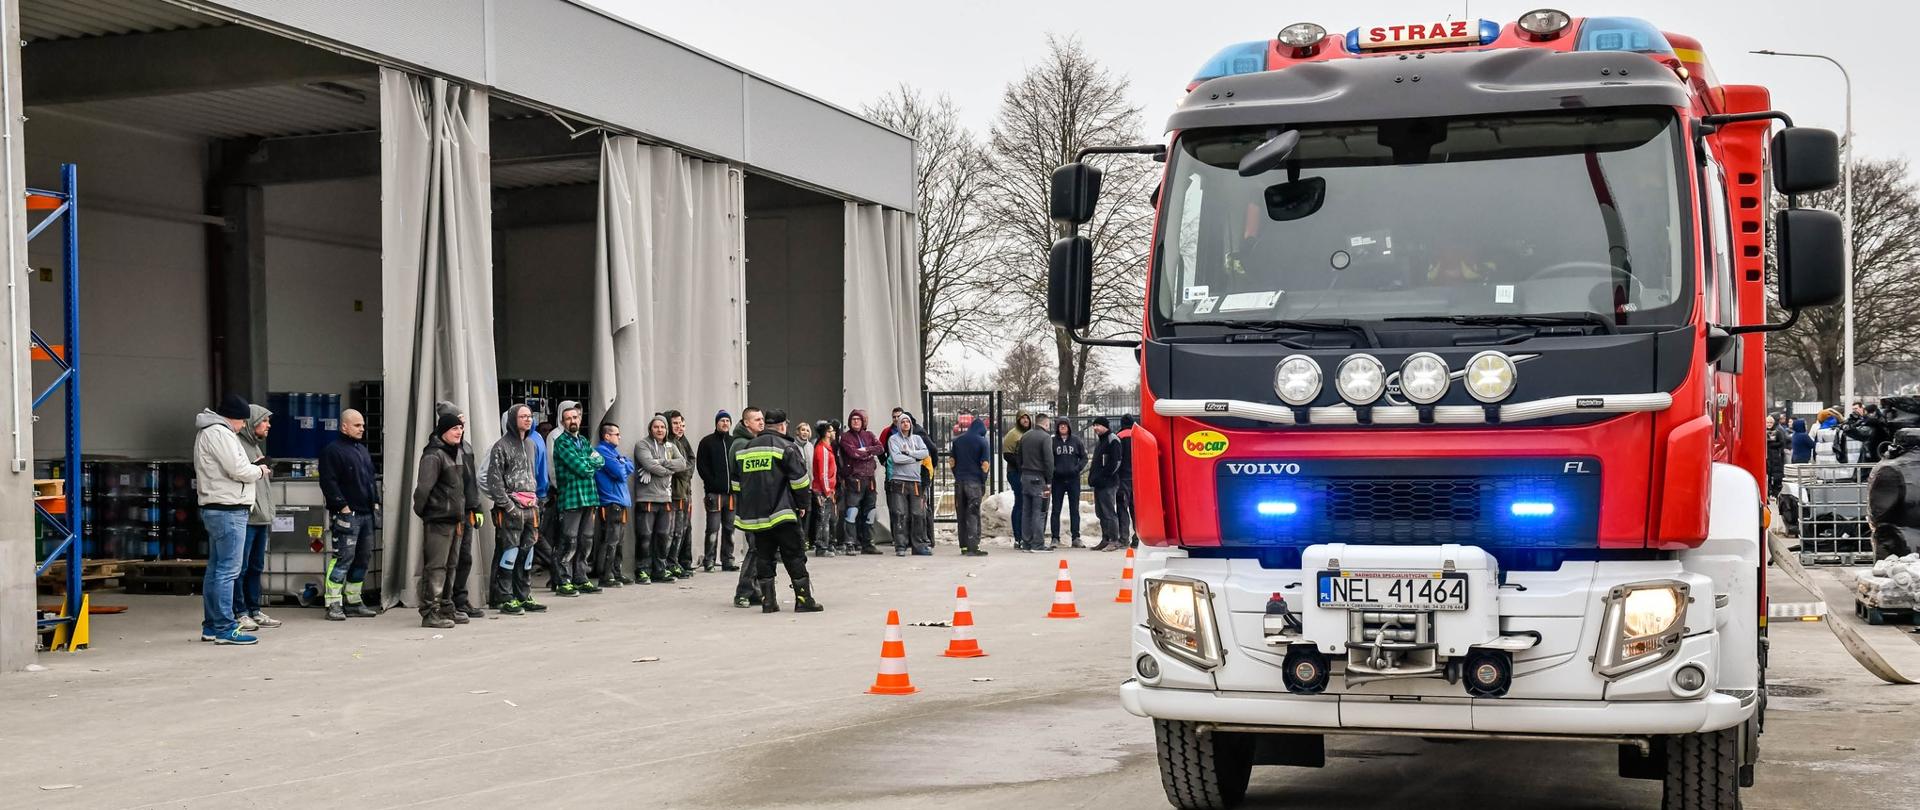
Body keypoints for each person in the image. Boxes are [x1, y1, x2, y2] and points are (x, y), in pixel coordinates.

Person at [194, 395, 273, 645]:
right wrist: (259, 470)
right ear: (234, 418)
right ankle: (225, 628)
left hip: (218, 508)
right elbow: (238, 470)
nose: (243, 426)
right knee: (228, 571)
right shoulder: (221, 433)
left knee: (216, 570)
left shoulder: (210, 432)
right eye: (242, 421)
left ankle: (211, 626)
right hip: (228, 509)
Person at [734, 408, 823, 613]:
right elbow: (800, 482)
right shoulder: (786, 447)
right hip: (782, 513)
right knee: (794, 555)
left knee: (764, 557)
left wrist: (748, 506)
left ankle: (768, 602)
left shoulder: (745, 449)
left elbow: (736, 484)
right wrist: (802, 505)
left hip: (757, 517)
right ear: (783, 426)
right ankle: (804, 600)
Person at [412, 409, 481, 629]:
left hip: (456, 520)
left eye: (460, 428)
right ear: (443, 431)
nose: (459, 432)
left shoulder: (456, 453)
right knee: (436, 567)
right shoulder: (433, 455)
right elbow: (423, 490)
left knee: (452, 565)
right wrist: (426, 512)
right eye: (454, 428)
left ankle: (446, 606)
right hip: (439, 520)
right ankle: (430, 612)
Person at [481, 404, 548, 615]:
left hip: (530, 507)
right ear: (512, 419)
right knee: (509, 552)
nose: (528, 419)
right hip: (511, 507)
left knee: (528, 552)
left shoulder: (531, 444)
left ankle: (523, 594)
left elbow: (534, 474)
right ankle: (505, 597)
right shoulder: (500, 446)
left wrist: (537, 501)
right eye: (523, 416)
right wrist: (508, 506)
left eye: (529, 416)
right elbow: (494, 481)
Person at [318, 409, 384, 621]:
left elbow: (370, 479)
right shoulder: (332, 451)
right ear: (344, 426)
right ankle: (333, 603)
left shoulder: (362, 451)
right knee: (343, 558)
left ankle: (354, 601)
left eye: (363, 425)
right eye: (357, 425)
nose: (362, 429)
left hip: (366, 514)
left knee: (363, 559)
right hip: (347, 515)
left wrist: (375, 503)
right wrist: (342, 507)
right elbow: (328, 482)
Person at [233, 404, 282, 632]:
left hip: (261, 518)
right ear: (252, 422)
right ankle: (239, 612)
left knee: (256, 566)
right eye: (264, 420)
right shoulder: (237, 445)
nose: (268, 425)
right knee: (240, 568)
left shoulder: (254, 446)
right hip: (248, 518)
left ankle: (254, 609)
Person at [436, 401, 486, 620]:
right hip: (448, 513)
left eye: (462, 423)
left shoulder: (466, 447)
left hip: (466, 510)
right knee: (448, 560)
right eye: (458, 422)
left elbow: (470, 481)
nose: (462, 427)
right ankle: (443, 602)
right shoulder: (439, 449)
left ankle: (460, 599)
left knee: (464, 557)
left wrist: (477, 506)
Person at [551, 402, 605, 596]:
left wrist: (587, 462)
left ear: (580, 419)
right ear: (562, 422)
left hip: (589, 497)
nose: (572, 421)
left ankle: (581, 578)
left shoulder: (583, 440)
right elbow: (581, 468)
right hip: (571, 499)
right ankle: (563, 581)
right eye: (568, 419)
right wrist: (589, 462)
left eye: (575, 417)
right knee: (569, 540)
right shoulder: (561, 442)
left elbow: (601, 461)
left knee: (586, 540)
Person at [634, 414, 685, 584]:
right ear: (650, 429)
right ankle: (642, 571)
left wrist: (659, 462)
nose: (660, 430)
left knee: (663, 536)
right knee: (645, 536)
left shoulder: (671, 446)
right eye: (656, 427)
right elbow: (649, 464)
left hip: (666, 498)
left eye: (662, 427)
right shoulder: (642, 444)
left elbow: (682, 464)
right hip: (647, 498)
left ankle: (659, 570)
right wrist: (668, 470)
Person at [592, 421, 636, 589]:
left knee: (619, 540)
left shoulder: (613, 452)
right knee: (611, 540)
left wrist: (622, 463)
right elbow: (620, 473)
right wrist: (622, 464)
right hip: (611, 501)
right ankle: (606, 575)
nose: (620, 437)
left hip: (620, 500)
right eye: (616, 434)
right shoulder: (601, 451)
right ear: (607, 436)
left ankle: (616, 572)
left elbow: (630, 465)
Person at [733, 407, 768, 607]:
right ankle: (743, 592)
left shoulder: (754, 441)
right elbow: (739, 479)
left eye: (762, 419)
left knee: (760, 548)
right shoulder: (741, 444)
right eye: (756, 419)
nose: (761, 422)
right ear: (746, 423)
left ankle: (754, 590)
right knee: (755, 548)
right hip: (750, 505)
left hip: (758, 503)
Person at [696, 411, 738, 573]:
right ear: (716, 423)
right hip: (714, 494)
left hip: (732, 494)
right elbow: (702, 466)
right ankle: (709, 561)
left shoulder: (734, 442)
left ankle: (728, 560)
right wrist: (712, 482)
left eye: (727, 420)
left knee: (730, 529)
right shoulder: (706, 442)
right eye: (722, 420)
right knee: (712, 529)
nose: (725, 423)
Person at [886, 412, 933, 556]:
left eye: (907, 421)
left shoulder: (917, 438)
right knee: (900, 514)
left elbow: (925, 453)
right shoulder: (893, 439)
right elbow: (896, 458)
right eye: (902, 422)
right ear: (899, 425)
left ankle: (918, 545)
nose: (905, 424)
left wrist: (908, 452)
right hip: (899, 481)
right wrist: (915, 458)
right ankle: (901, 545)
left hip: (915, 482)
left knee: (918, 514)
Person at [838, 410, 883, 555]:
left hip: (870, 479)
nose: (856, 421)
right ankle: (850, 543)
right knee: (852, 511)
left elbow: (880, 448)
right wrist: (869, 453)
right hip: (854, 479)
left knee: (870, 511)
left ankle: (868, 543)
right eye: (853, 419)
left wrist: (865, 449)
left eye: (858, 419)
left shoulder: (869, 435)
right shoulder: (845, 437)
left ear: (863, 421)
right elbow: (853, 453)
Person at [950, 415, 991, 556]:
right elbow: (985, 465)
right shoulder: (982, 442)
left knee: (961, 514)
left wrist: (957, 475)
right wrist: (983, 480)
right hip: (974, 483)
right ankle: (974, 546)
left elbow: (952, 462)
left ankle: (964, 546)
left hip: (959, 482)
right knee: (973, 514)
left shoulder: (957, 440)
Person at [666, 410, 697, 579]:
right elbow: (677, 467)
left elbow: (690, 461)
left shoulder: (682, 441)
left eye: (681, 424)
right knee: (673, 531)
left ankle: (680, 562)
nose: (679, 427)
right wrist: (685, 470)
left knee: (684, 529)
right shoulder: (669, 443)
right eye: (675, 424)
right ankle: (670, 563)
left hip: (685, 491)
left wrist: (685, 470)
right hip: (674, 493)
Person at [1017, 412, 1056, 552]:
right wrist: (1049, 480)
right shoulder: (1045, 437)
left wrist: (1023, 471)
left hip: (1025, 477)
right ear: (1045, 423)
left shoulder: (1025, 436)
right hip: (1040, 479)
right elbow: (1049, 461)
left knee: (1026, 511)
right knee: (1040, 511)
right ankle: (1038, 543)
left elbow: (1019, 457)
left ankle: (1026, 542)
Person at [1088, 417, 1126, 552]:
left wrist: (1104, 476)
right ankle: (1105, 539)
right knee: (1101, 513)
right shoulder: (1101, 441)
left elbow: (1116, 462)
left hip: (1108, 483)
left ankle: (1114, 540)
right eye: (1094, 425)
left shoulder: (1113, 439)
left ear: (1105, 426)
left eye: (1098, 425)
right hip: (1099, 483)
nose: (1095, 428)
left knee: (1109, 512)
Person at [1050, 418, 1088, 549]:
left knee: (1074, 509)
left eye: (1065, 425)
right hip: (1057, 480)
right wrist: (1054, 470)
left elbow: (1084, 458)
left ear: (1069, 427)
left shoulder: (1076, 441)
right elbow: (1048, 458)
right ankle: (1055, 538)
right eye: (1060, 425)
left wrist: (1077, 469)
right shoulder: (1052, 441)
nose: (1062, 427)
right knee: (1056, 509)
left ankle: (1076, 537)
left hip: (1073, 480)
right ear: (1057, 427)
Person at [810, 421, 840, 557]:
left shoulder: (828, 448)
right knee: (823, 519)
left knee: (831, 518)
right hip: (823, 490)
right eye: (832, 430)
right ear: (826, 433)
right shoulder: (822, 449)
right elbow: (823, 474)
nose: (834, 433)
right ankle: (821, 547)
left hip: (828, 489)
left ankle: (829, 545)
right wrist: (827, 491)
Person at [1001, 411, 1031, 544]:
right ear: (1018, 420)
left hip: (1029, 473)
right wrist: (1021, 464)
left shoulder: (1030, 433)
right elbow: (1007, 454)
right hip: (1016, 473)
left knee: (1027, 504)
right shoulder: (1013, 434)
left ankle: (1026, 535)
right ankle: (1018, 537)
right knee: (1020, 502)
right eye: (1022, 418)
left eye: (1027, 418)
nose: (1025, 420)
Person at [1117, 415, 1138, 545]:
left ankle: (1124, 538)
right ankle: (1138, 537)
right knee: (1136, 509)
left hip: (1123, 478)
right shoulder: (1138, 436)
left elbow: (1117, 458)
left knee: (1122, 508)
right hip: (1137, 479)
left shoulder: (1119, 436)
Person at [1765, 414, 1788, 499]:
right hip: (1767, 456)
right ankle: (1768, 492)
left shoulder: (1778, 432)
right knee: (1767, 474)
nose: (1769, 424)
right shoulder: (1763, 432)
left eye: (1771, 422)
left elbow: (1782, 442)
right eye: (1767, 422)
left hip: (1775, 457)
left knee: (1776, 476)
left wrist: (1770, 444)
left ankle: (1775, 492)